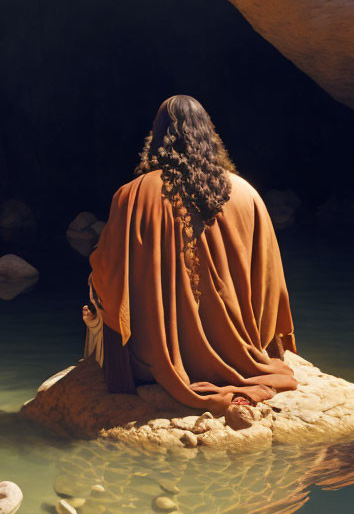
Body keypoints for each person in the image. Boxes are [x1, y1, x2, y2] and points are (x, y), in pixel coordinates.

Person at [85, 95, 298, 414]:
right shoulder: (246, 193)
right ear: (209, 136)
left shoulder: (132, 195)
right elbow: (270, 285)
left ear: (156, 138)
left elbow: (109, 275)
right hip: (243, 356)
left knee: (96, 289)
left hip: (154, 363)